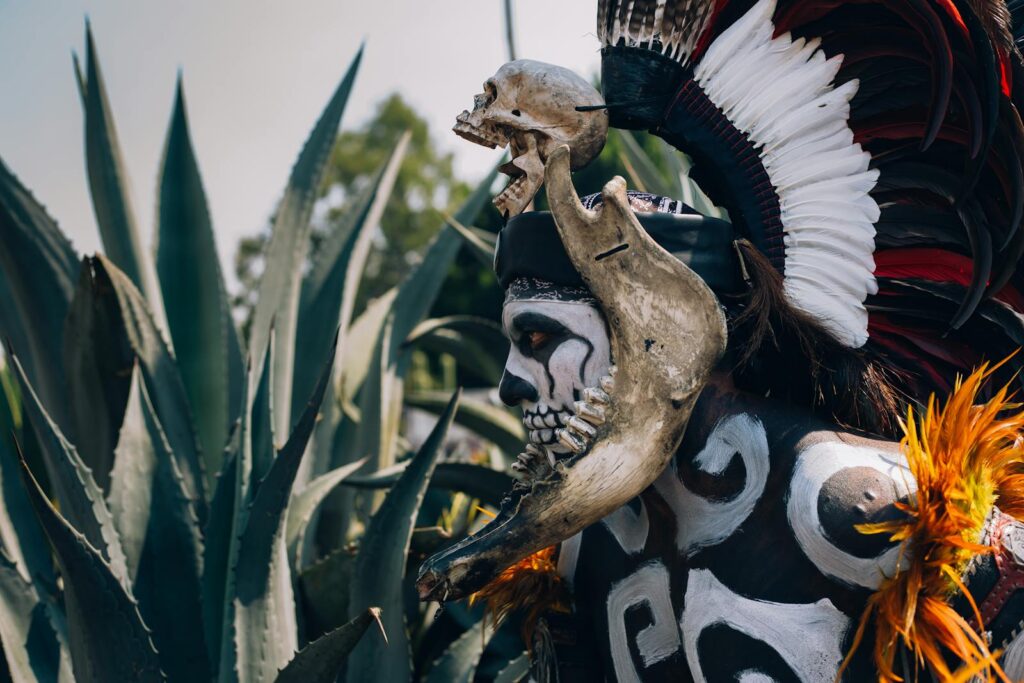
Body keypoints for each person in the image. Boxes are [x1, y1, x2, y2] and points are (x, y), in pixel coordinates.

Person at [422, 1, 1024, 679]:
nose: (509, 382)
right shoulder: (585, 550)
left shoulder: (850, 499)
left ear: (662, 328)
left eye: (539, 336)